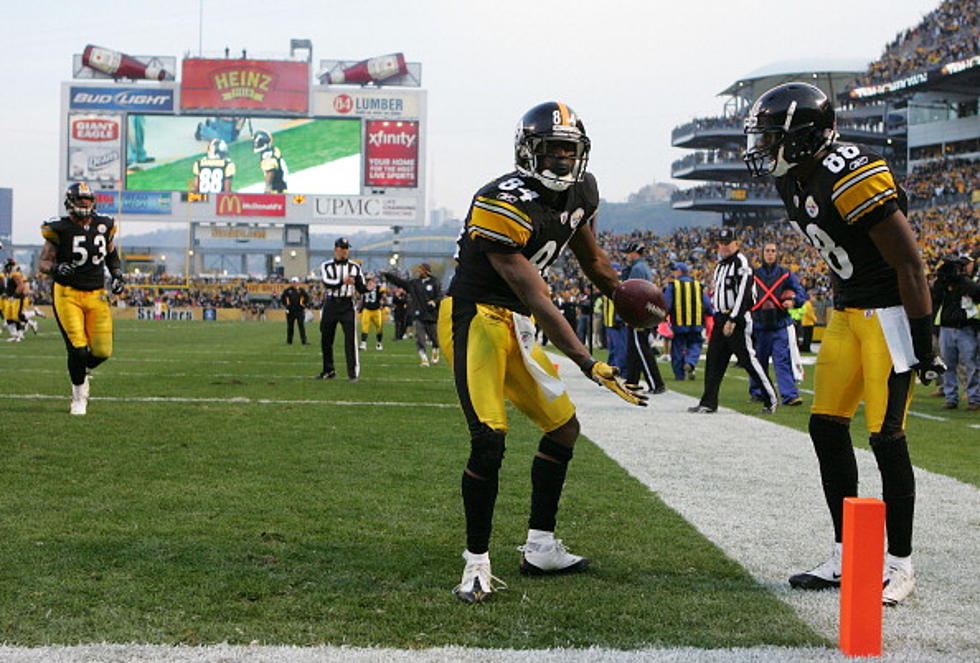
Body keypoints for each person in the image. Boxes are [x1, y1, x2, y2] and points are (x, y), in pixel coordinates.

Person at [744, 82, 946, 605]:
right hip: (847, 312)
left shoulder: (849, 174)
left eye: (772, 138)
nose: (763, 149)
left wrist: (925, 343)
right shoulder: (793, 179)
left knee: (886, 438)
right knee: (826, 427)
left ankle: (900, 565)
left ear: (804, 138)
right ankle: (847, 553)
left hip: (890, 317)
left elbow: (910, 264)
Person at [439, 101, 646, 604]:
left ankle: (540, 545)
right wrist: (586, 360)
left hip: (521, 322)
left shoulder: (583, 190)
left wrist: (620, 294)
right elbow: (537, 295)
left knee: (564, 428)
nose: (560, 160)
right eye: (551, 150)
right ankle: (475, 563)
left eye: (568, 150)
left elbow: (591, 258)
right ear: (528, 152)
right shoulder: (498, 201)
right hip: (475, 317)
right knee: (489, 439)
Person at [38, 183, 126, 415]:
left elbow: (111, 254)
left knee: (102, 351)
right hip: (67, 293)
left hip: (96, 293)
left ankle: (80, 369)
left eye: (88, 200)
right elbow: (43, 263)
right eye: (80, 200)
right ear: (70, 202)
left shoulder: (104, 225)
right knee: (77, 348)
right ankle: (79, 395)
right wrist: (56, 268)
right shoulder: (59, 228)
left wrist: (117, 274)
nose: (85, 204)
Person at [689, 227, 778, 414]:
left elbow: (744, 294)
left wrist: (733, 319)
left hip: (737, 318)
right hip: (721, 317)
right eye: (721, 243)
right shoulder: (721, 265)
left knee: (748, 360)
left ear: (736, 243)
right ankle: (708, 402)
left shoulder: (741, 262)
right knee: (714, 361)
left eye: (727, 243)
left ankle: (771, 398)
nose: (724, 247)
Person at [748, 243, 808, 406]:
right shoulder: (753, 275)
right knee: (758, 361)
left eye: (773, 251)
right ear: (762, 254)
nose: (770, 254)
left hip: (779, 324)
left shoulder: (786, 274)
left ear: (777, 254)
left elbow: (801, 292)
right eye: (767, 251)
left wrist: (793, 300)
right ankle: (757, 391)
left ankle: (789, 395)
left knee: (782, 360)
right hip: (759, 325)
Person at [930, 254, 980, 410]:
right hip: (946, 328)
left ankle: (974, 399)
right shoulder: (943, 283)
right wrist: (941, 279)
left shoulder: (967, 282)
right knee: (947, 365)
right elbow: (935, 297)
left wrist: (960, 280)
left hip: (965, 328)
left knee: (971, 364)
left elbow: (977, 294)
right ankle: (951, 397)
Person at [316, 237, 366, 381]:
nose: (345, 251)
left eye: (346, 249)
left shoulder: (355, 267)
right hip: (331, 304)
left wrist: (367, 288)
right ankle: (328, 370)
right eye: (342, 248)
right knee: (326, 338)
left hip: (347, 304)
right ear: (336, 249)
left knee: (350, 339)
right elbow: (327, 283)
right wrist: (342, 281)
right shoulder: (326, 266)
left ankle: (353, 373)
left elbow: (360, 286)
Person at [621, 242, 666, 394]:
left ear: (635, 253)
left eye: (628, 253)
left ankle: (656, 383)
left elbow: (635, 294)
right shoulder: (643, 267)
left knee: (640, 348)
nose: (627, 256)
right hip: (644, 313)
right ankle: (631, 381)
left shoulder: (637, 269)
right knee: (634, 348)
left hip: (638, 315)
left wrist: (632, 315)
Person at [382, 263, 443, 366]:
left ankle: (435, 353)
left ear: (427, 271)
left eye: (421, 270)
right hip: (419, 315)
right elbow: (400, 283)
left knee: (434, 339)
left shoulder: (435, 282)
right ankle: (424, 359)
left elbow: (440, 295)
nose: (418, 271)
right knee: (420, 338)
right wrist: (388, 275)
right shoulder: (414, 283)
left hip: (431, 315)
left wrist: (434, 302)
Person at [664, 261, 713, 381]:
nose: (673, 273)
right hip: (695, 323)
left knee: (677, 349)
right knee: (695, 344)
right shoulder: (697, 285)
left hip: (679, 323)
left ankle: (679, 375)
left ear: (679, 272)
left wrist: (664, 318)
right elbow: (707, 305)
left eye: (674, 271)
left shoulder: (673, 286)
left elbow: (667, 305)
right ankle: (690, 361)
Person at [359, 275, 386, 351]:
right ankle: (363, 344)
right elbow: (362, 299)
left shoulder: (378, 288)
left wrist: (382, 282)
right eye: (368, 281)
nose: (369, 282)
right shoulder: (364, 288)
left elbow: (383, 292)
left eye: (371, 280)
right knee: (365, 327)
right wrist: (361, 308)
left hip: (376, 310)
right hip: (367, 310)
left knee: (379, 327)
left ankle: (379, 343)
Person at [280, 276, 309, 345]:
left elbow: (306, 298)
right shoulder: (287, 290)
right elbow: (283, 298)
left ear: (298, 282)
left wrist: (303, 305)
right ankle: (289, 341)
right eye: (293, 282)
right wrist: (287, 306)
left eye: (295, 282)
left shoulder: (301, 290)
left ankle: (304, 341)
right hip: (290, 311)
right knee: (290, 327)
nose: (294, 283)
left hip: (299, 311)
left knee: (301, 326)